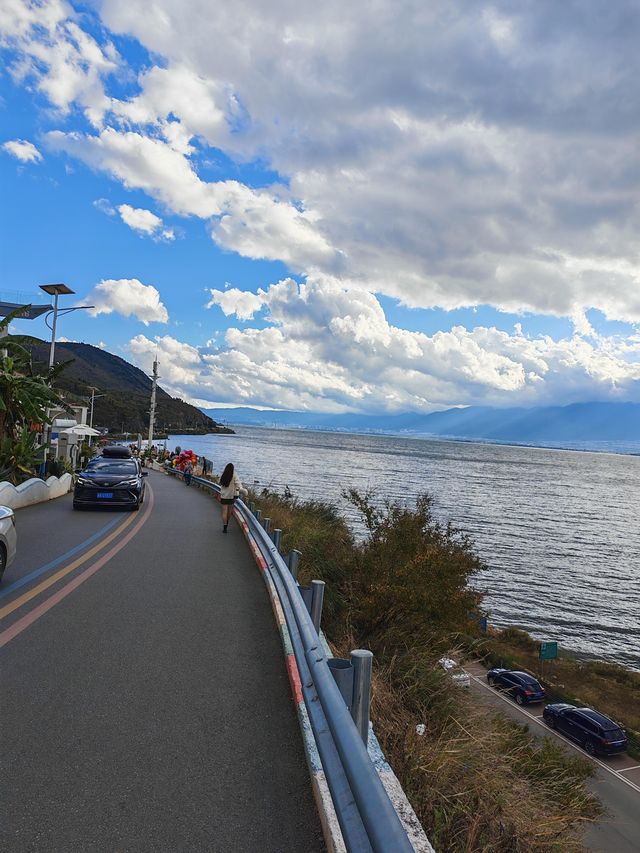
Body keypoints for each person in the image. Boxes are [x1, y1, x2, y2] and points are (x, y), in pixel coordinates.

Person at [219, 462, 248, 533]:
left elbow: (219, 481)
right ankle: (227, 522)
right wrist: (243, 491)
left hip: (223, 496)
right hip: (231, 496)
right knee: (229, 512)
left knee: (224, 512)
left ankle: (224, 526)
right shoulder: (234, 475)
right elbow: (238, 486)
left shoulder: (223, 474)